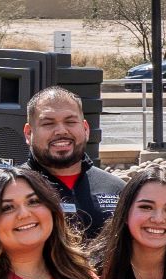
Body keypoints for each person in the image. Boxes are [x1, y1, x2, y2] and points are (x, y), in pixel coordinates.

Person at [24, 87, 125, 237]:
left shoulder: (117, 190)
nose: (61, 131)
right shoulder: (10, 191)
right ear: (29, 133)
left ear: (85, 129)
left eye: (70, 122)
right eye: (48, 124)